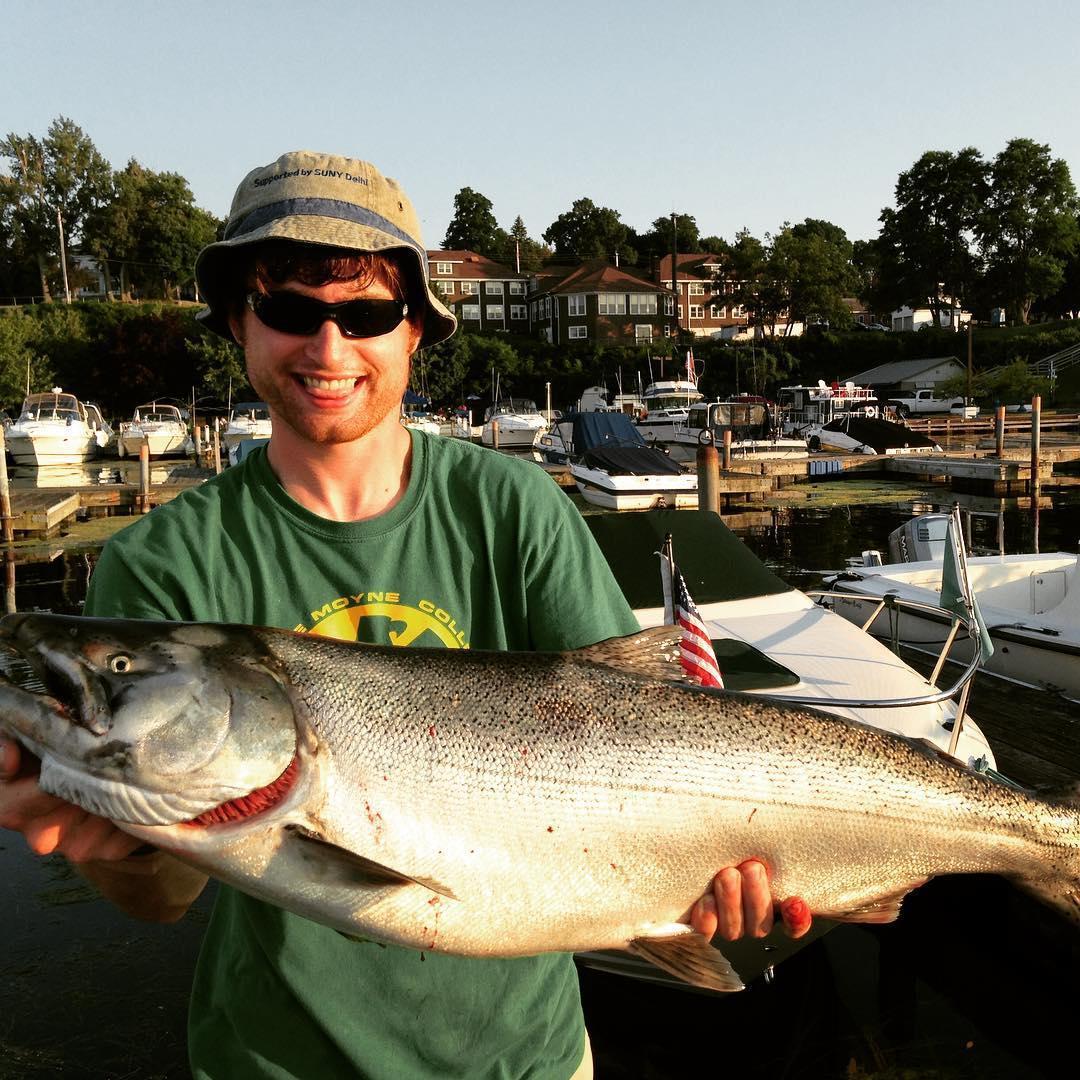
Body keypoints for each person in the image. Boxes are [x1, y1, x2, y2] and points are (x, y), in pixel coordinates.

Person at [0, 150, 810, 1079]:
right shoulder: (163, 562)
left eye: (368, 313)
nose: (329, 349)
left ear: (416, 329)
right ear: (238, 321)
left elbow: (640, 723)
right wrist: (116, 850)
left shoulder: (518, 508)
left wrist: (702, 875)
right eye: (290, 309)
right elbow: (167, 897)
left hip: (529, 1061)